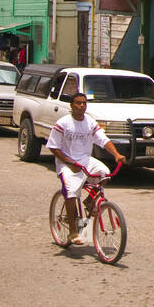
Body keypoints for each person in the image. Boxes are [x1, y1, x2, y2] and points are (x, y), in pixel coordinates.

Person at [45, 93, 125, 245]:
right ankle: (73, 232)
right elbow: (53, 147)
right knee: (71, 192)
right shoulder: (63, 123)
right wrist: (69, 162)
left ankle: (89, 201)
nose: (82, 106)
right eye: (78, 103)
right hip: (66, 162)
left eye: (84, 103)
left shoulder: (89, 122)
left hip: (85, 160)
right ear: (71, 105)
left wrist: (116, 154)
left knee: (105, 173)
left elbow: (103, 139)